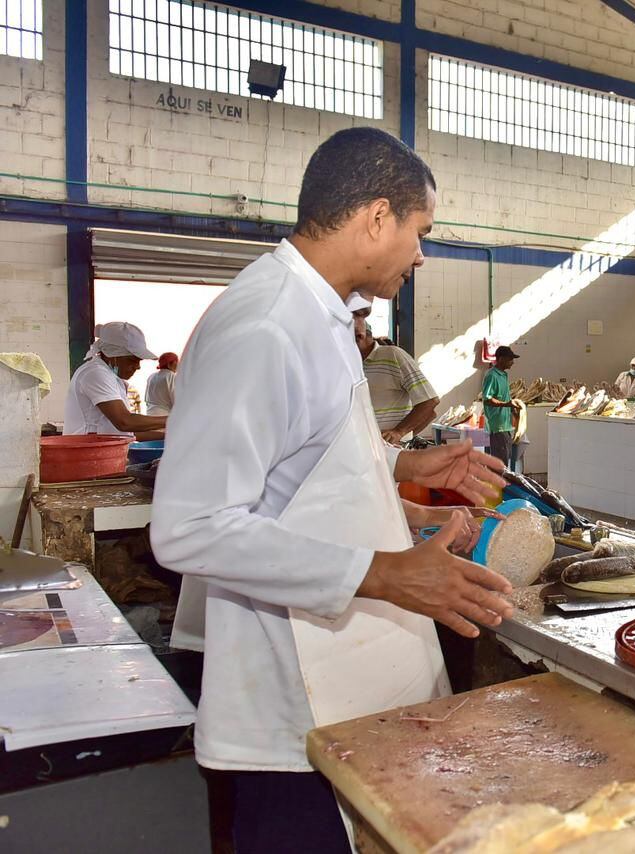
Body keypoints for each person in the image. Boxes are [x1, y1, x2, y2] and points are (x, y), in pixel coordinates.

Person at [149, 128, 515, 853]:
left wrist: (401, 478)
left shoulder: (318, 315)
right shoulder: (266, 325)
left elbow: (298, 469)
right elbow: (191, 526)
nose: (421, 254)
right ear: (377, 217)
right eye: (420, 232)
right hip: (292, 710)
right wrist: (386, 572)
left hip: (347, 694)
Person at [65, 322, 167, 440]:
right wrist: (173, 420)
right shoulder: (95, 373)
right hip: (86, 454)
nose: (137, 367)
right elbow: (124, 422)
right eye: (132, 360)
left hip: (103, 452)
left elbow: (127, 433)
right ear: (112, 355)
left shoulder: (112, 378)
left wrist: (168, 436)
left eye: (139, 361)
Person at [353, 308, 440, 444]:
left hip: (388, 450)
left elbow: (429, 401)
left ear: (360, 336)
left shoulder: (393, 355)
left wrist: (400, 432)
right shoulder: (351, 364)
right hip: (362, 447)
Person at [482, 345, 519, 469]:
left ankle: (500, 486)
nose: (512, 363)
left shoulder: (503, 375)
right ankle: (497, 487)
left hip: (506, 423)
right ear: (501, 359)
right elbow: (487, 399)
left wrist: (512, 408)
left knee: (505, 461)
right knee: (499, 464)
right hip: (497, 425)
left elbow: (504, 397)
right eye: (510, 359)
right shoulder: (492, 375)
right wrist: (506, 404)